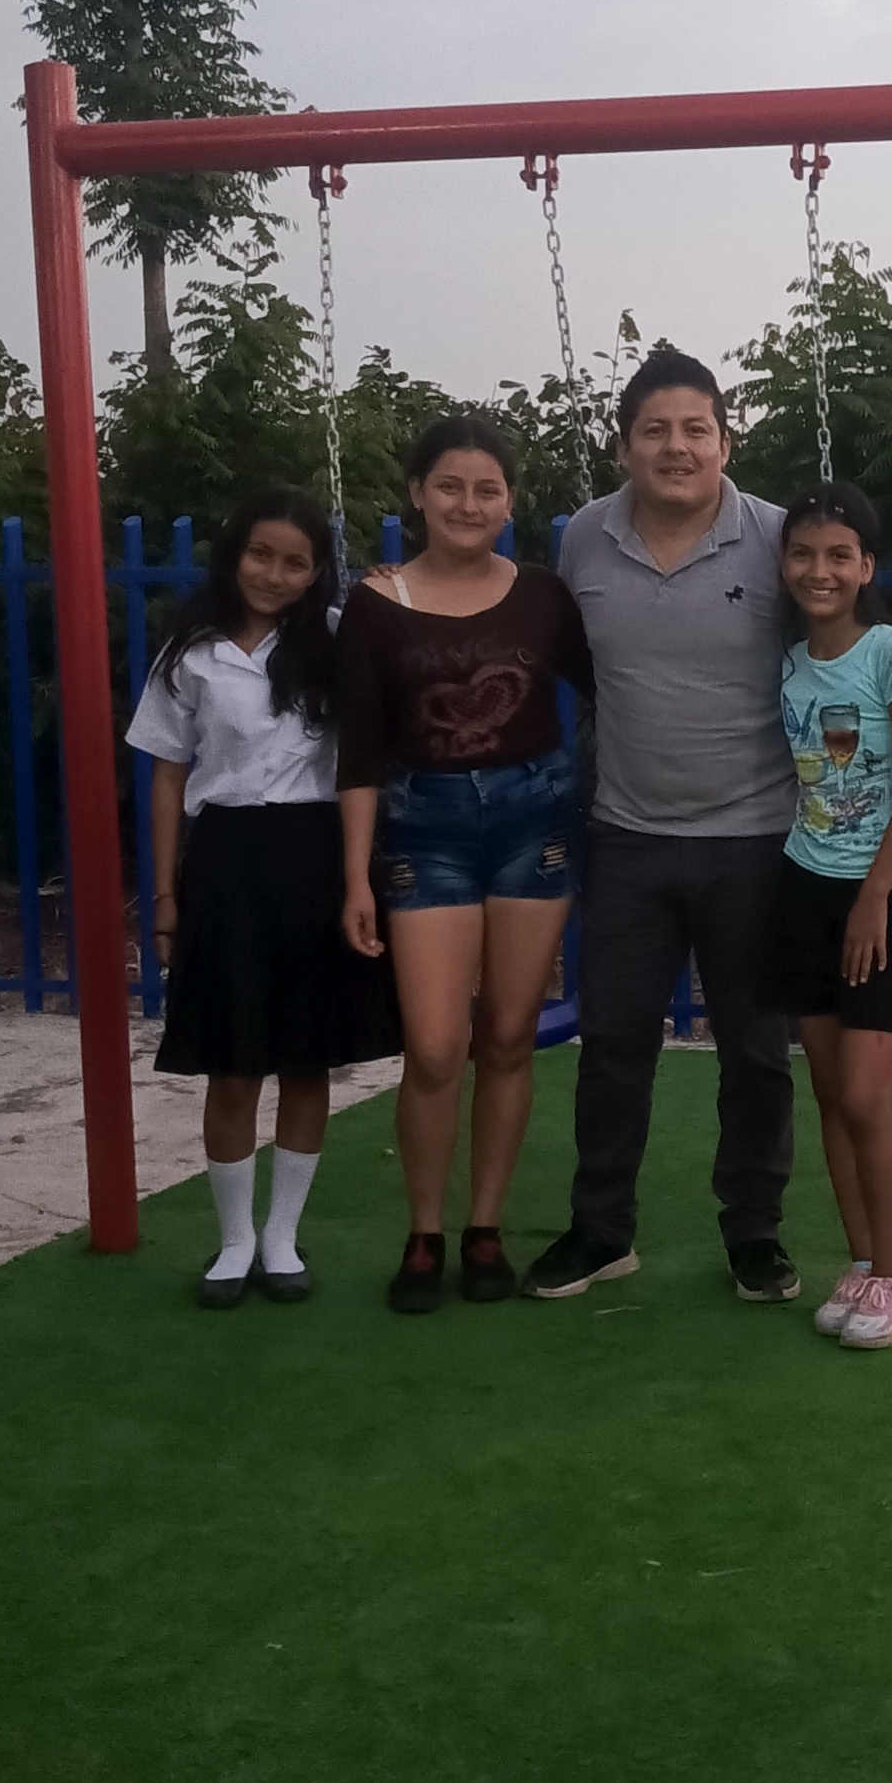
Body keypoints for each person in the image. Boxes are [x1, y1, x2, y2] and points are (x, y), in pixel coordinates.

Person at [520, 348, 892, 1306]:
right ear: (624, 444)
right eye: (654, 430)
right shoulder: (584, 538)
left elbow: (851, 627)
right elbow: (585, 667)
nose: (676, 448)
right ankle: (601, 1229)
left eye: (696, 429)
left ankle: (754, 1231)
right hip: (629, 832)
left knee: (755, 1054)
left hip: (760, 839)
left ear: (726, 441)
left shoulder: (774, 536)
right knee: (614, 1044)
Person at [336, 412, 593, 1312]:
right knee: (438, 1045)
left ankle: (485, 1228)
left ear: (510, 502)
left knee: (510, 1036)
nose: (468, 504)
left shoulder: (543, 595)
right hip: (425, 830)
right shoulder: (375, 606)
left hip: (534, 822)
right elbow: (359, 751)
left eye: (488, 490)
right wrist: (355, 877)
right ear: (417, 493)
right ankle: (424, 1233)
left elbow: (621, 687)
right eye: (450, 486)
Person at [126, 488, 396, 1307]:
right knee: (233, 1062)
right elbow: (167, 775)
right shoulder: (191, 653)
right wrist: (165, 895)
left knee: (306, 1057)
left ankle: (282, 1236)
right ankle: (235, 1240)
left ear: (317, 573)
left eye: (295, 562)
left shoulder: (337, 639)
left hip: (316, 855)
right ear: (232, 553)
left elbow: (369, 751)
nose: (274, 575)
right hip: (226, 861)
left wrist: (358, 882)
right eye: (260, 555)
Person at [769, 482, 892, 1351]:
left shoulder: (891, 655)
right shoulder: (788, 661)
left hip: (883, 889)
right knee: (831, 1093)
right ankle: (864, 1263)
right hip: (804, 881)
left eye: (840, 555)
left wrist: (875, 893)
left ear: (868, 566)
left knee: (869, 1096)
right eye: (803, 553)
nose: (820, 570)